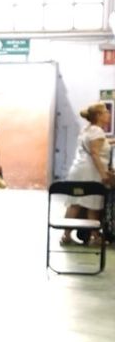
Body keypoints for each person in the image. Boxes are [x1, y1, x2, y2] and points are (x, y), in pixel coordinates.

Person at [59, 101, 112, 245]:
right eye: (106, 112)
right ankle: (95, 237)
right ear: (99, 115)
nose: (109, 114)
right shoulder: (97, 131)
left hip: (79, 169)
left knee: (75, 203)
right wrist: (104, 174)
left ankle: (66, 235)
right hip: (90, 172)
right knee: (93, 204)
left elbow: (98, 144)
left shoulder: (87, 129)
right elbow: (95, 153)